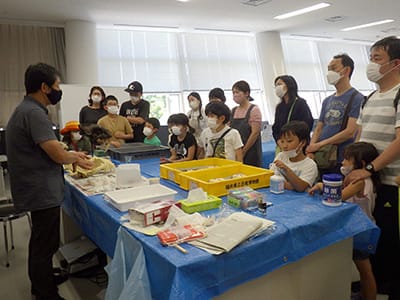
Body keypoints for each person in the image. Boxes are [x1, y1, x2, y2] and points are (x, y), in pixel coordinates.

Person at [5, 63, 93, 300]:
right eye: (55, 86)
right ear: (44, 87)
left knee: (41, 242)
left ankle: (41, 281)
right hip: (40, 190)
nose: (57, 91)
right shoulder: (34, 113)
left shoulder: (25, 110)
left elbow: (50, 149)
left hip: (35, 187)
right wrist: (76, 157)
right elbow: (57, 154)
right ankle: (46, 293)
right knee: (45, 245)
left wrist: (69, 155)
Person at [346, 36, 400, 299]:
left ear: (395, 63)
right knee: (371, 236)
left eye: (377, 59)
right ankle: (371, 284)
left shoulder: (399, 94)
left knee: (390, 239)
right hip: (368, 182)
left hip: (390, 182)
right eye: (370, 58)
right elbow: (360, 136)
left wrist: (370, 167)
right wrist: (352, 165)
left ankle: (387, 288)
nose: (371, 65)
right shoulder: (369, 98)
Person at [310, 142, 380, 300]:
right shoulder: (359, 180)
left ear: (361, 164)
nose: (343, 162)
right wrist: (323, 185)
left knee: (365, 270)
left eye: (347, 159)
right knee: (361, 268)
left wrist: (325, 188)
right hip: (357, 227)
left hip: (360, 230)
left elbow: (338, 197)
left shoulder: (360, 182)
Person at [306, 54, 364, 175]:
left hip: (341, 158)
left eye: (333, 68)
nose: (329, 72)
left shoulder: (357, 98)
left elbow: (350, 132)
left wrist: (320, 144)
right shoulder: (327, 100)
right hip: (322, 156)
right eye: (328, 69)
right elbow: (319, 128)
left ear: (346, 70)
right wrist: (311, 148)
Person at [270, 121, 317, 192]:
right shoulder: (281, 156)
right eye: (282, 141)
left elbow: (301, 187)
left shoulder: (310, 165)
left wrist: (286, 169)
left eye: (289, 141)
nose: (285, 146)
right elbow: (269, 178)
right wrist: (291, 186)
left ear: (303, 142)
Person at [272, 75, 314, 144]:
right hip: (283, 144)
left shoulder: (300, 103)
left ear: (289, 85)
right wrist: (278, 140)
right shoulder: (279, 107)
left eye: (279, 84)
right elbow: (276, 127)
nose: (277, 87)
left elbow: (307, 124)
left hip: (298, 144)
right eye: (275, 86)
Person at [231, 80, 263, 167]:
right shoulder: (233, 110)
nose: (235, 95)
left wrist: (244, 151)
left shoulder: (254, 109)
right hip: (236, 149)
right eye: (233, 92)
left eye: (237, 92)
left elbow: (255, 133)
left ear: (247, 93)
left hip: (250, 150)